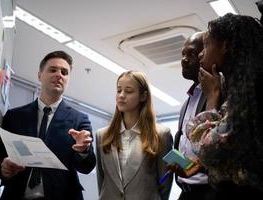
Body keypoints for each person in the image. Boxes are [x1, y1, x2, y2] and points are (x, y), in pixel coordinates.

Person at [0, 50, 96, 200]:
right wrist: (4, 168)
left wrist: (83, 151)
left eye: (64, 72)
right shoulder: (14, 116)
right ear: (39, 75)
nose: (59, 75)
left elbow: (87, 167)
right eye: (53, 70)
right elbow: (0, 160)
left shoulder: (80, 120)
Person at [186, 13, 263, 199]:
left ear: (225, 46)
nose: (201, 53)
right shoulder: (239, 88)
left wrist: (212, 97)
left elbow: (208, 151)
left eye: (206, 44)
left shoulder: (249, 94)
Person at [96, 70, 173, 200]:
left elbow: (164, 183)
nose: (121, 95)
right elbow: (101, 180)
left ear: (143, 96)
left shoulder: (161, 135)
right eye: (119, 90)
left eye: (129, 91)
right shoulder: (102, 135)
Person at [172, 32, 217, 200]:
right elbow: (185, 142)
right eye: (183, 54)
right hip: (185, 189)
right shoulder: (187, 103)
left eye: (191, 53)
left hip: (210, 191)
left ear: (204, 54)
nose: (184, 59)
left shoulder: (217, 92)